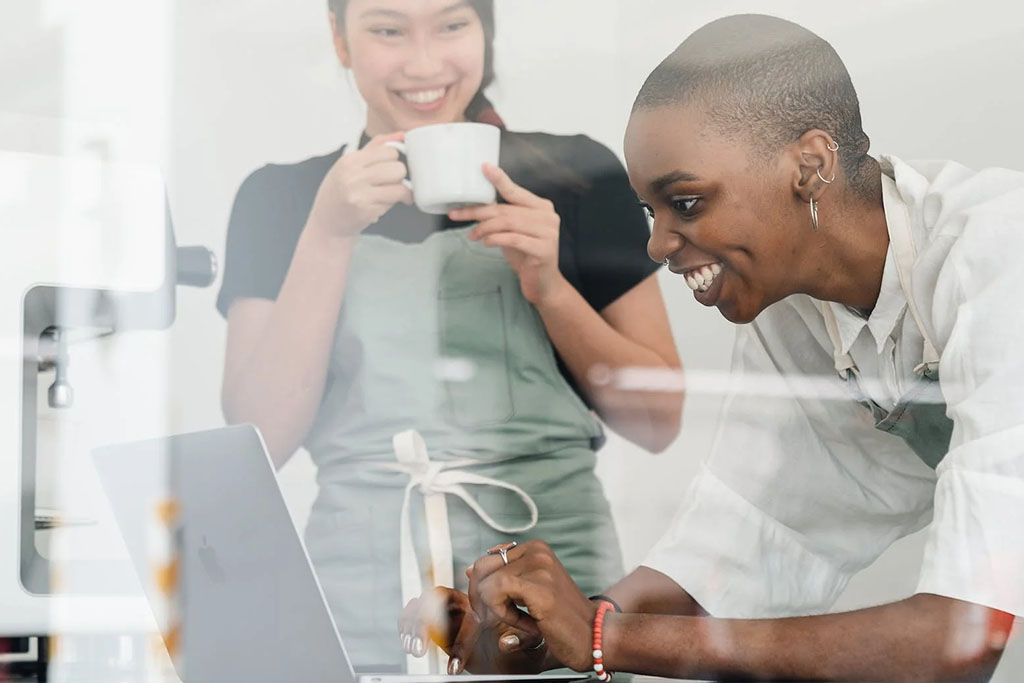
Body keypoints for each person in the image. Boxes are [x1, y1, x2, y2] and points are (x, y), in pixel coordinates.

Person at [399, 13, 1024, 681]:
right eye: (651, 211)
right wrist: (546, 633)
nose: (658, 246)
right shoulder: (792, 311)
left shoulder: (999, 255)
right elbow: (738, 546)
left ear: (809, 165)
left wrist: (602, 634)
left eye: (687, 202)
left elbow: (958, 642)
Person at [215, 0, 683, 671]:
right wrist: (326, 231)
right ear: (339, 39)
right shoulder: (280, 200)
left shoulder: (580, 178)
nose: (425, 62)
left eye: (452, 25)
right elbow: (260, 439)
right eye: (387, 30)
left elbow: (661, 420)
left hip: (557, 611)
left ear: (485, 32)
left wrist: (550, 284)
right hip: (360, 602)